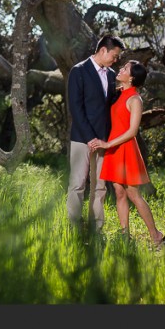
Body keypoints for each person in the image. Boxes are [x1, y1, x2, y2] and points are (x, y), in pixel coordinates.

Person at [90, 60, 165, 249]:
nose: (121, 69)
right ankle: (125, 236)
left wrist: (107, 143)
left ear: (132, 77)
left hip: (125, 148)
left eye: (125, 68)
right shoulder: (118, 94)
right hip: (114, 149)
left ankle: (157, 237)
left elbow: (132, 131)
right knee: (119, 192)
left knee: (133, 194)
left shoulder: (135, 99)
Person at [66, 34, 125, 232]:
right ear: (103, 51)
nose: (116, 60)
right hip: (82, 138)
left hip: (104, 139)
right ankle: (73, 228)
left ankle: (95, 229)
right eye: (114, 56)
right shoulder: (79, 71)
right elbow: (75, 107)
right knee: (77, 184)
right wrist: (90, 137)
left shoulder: (110, 74)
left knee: (100, 187)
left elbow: (108, 107)